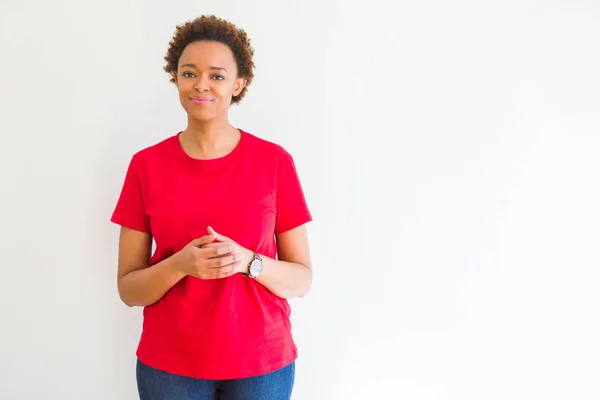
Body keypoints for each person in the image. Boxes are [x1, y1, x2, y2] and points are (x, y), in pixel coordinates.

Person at [110, 15, 313, 400]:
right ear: (176, 79)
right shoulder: (145, 166)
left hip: (263, 364)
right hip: (169, 367)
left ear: (239, 84)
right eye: (189, 73)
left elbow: (301, 278)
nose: (201, 84)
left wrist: (247, 261)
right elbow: (128, 288)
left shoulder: (274, 162)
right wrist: (180, 264)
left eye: (217, 76)